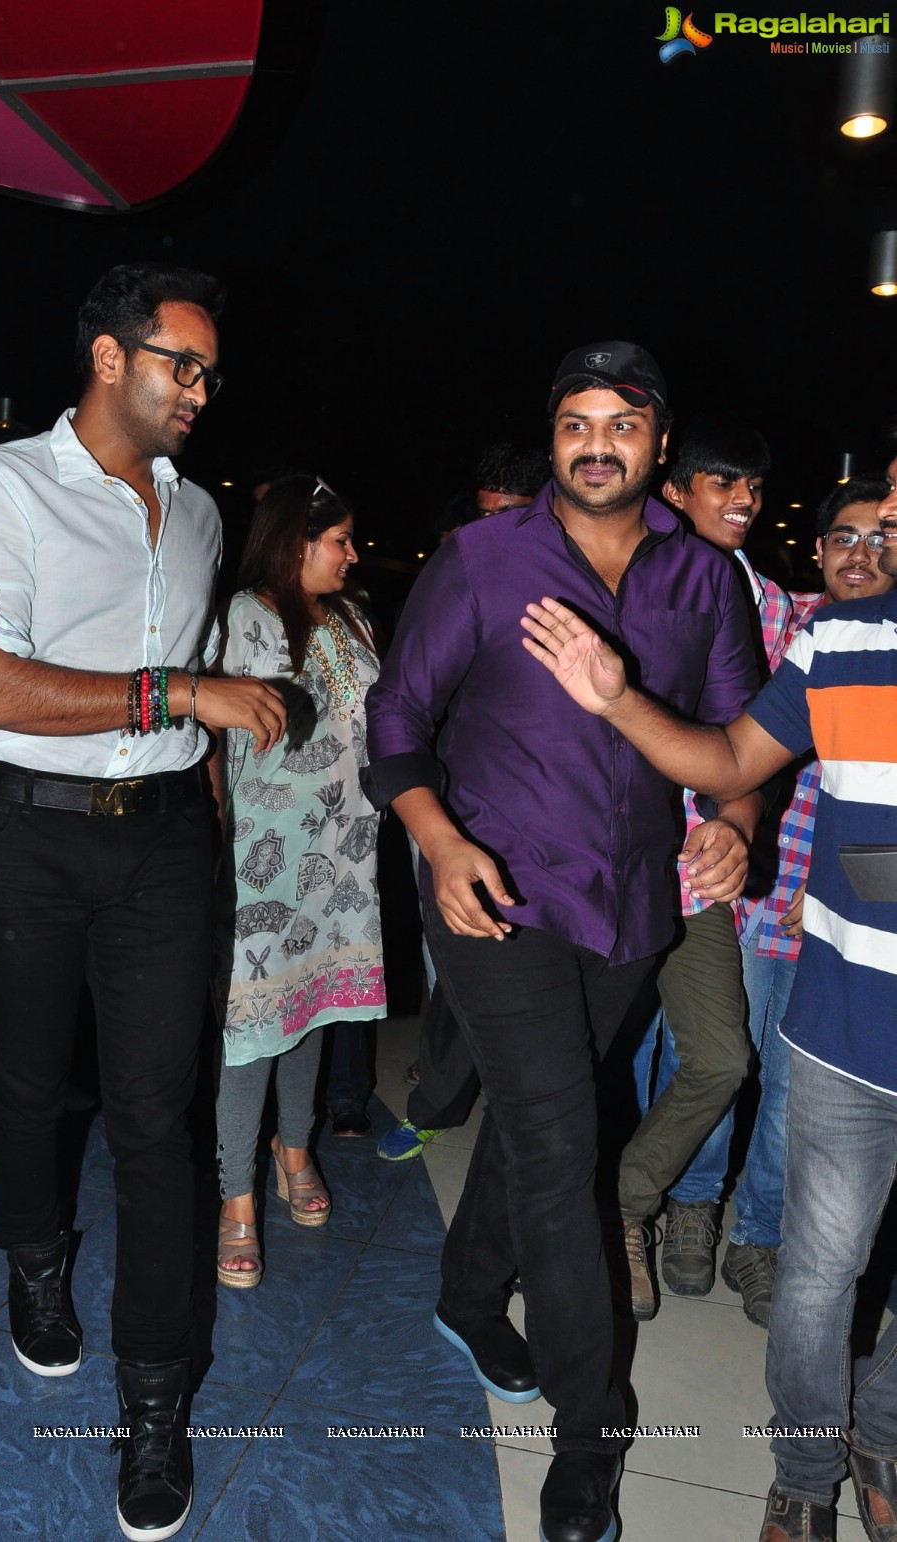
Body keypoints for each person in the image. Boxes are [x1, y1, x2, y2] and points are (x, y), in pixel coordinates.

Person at [363, 340, 761, 1542]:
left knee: (552, 1115)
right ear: (553, 440)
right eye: (575, 422)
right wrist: (436, 840)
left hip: (635, 908)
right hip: (496, 894)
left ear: (658, 442)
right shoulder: (485, 560)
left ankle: (467, 1291)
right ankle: (592, 1438)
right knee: (558, 1138)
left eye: (620, 424)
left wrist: (736, 825)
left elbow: (743, 743)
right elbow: (397, 718)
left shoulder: (705, 583)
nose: (596, 442)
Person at [0, 263, 288, 1542]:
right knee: (28, 1084)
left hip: (163, 848)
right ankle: (33, 1256)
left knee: (158, 1118)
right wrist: (179, 697)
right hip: (26, 835)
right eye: (180, 364)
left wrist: (199, 759)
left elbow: (174, 681)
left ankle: (153, 1400)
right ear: (107, 357)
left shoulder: (195, 514)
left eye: (209, 372)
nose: (201, 389)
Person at [520, 484, 897, 1542]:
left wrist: (860, 865)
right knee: (824, 1270)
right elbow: (732, 762)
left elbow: (851, 847)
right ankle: (806, 1475)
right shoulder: (842, 640)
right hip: (844, 1018)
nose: (881, 538)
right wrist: (615, 696)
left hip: (791, 934)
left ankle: (886, 1434)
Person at [655, 473, 895, 1330]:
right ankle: (690, 1207)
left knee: (796, 1088)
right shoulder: (780, 620)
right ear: (818, 546)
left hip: (846, 917)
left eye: (881, 538)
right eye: (843, 538)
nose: (860, 555)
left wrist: (834, 886)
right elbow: (713, 738)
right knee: (725, 1060)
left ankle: (757, 1236)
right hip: (753, 891)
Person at [619, 415, 784, 1317]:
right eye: (721, 481)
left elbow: (759, 740)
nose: (744, 500)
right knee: (602, 1058)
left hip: (698, 870)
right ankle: (605, 1232)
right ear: (673, 489)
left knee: (718, 1057)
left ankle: (627, 1200)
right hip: (606, 860)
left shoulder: (768, 598)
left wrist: (738, 815)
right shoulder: (628, 571)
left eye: (752, 486)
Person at [212, 473, 386, 1285]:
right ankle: (235, 1195)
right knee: (252, 1025)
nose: (353, 554)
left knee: (312, 1007)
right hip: (263, 854)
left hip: (344, 849)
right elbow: (218, 746)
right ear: (294, 541)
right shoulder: (246, 618)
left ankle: (294, 1151)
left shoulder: (350, 619)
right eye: (339, 540)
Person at [380, 441, 550, 1161]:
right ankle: (438, 1097)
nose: (492, 531)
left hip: (551, 818)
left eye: (508, 516)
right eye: (483, 517)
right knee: (457, 961)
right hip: (454, 808)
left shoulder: (571, 585)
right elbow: (397, 705)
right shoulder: (456, 577)